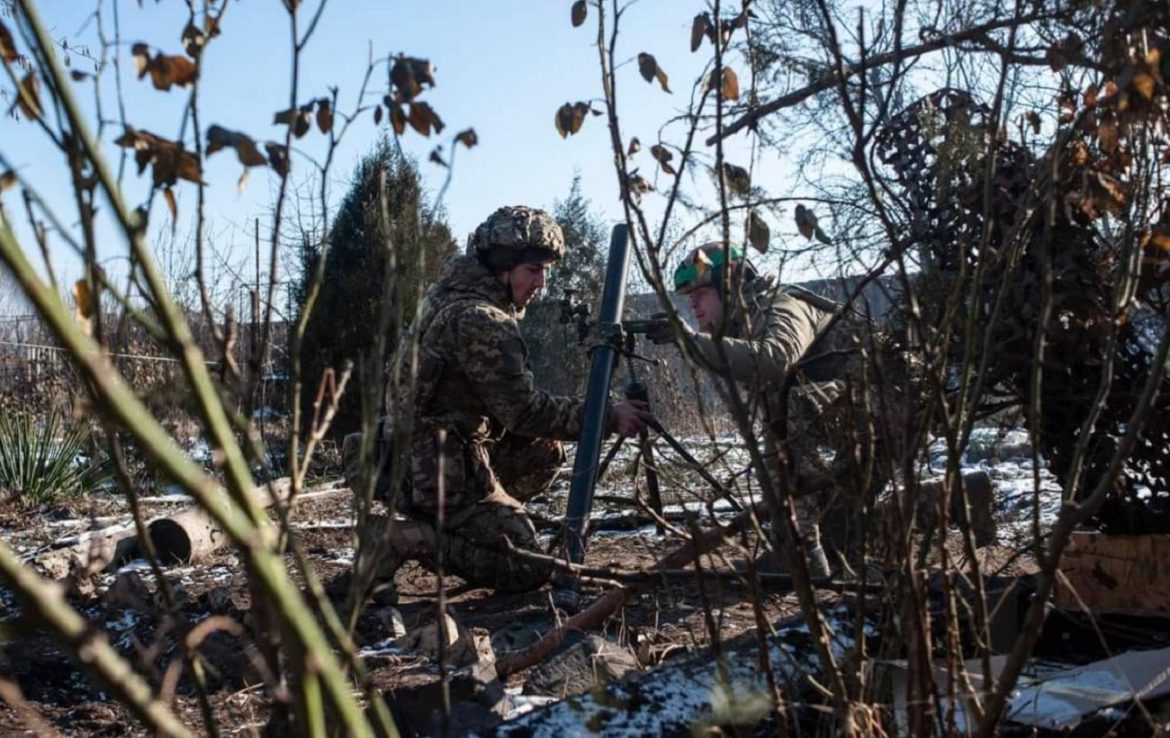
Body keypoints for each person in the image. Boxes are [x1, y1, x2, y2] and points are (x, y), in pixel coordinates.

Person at [345, 205, 652, 605]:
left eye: (545, 270)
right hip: (440, 469)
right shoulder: (482, 319)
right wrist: (608, 416)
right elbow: (523, 411)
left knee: (543, 453)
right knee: (528, 567)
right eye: (533, 270)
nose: (541, 282)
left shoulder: (445, 298)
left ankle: (473, 526)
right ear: (502, 267)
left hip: (414, 457)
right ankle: (406, 538)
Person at [650, 243, 874, 579]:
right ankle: (801, 553)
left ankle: (798, 554)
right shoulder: (745, 323)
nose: (692, 303)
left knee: (787, 413)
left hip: (891, 407)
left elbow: (775, 360)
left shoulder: (779, 306)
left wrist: (691, 341)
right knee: (842, 528)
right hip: (867, 414)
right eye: (689, 295)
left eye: (701, 292)